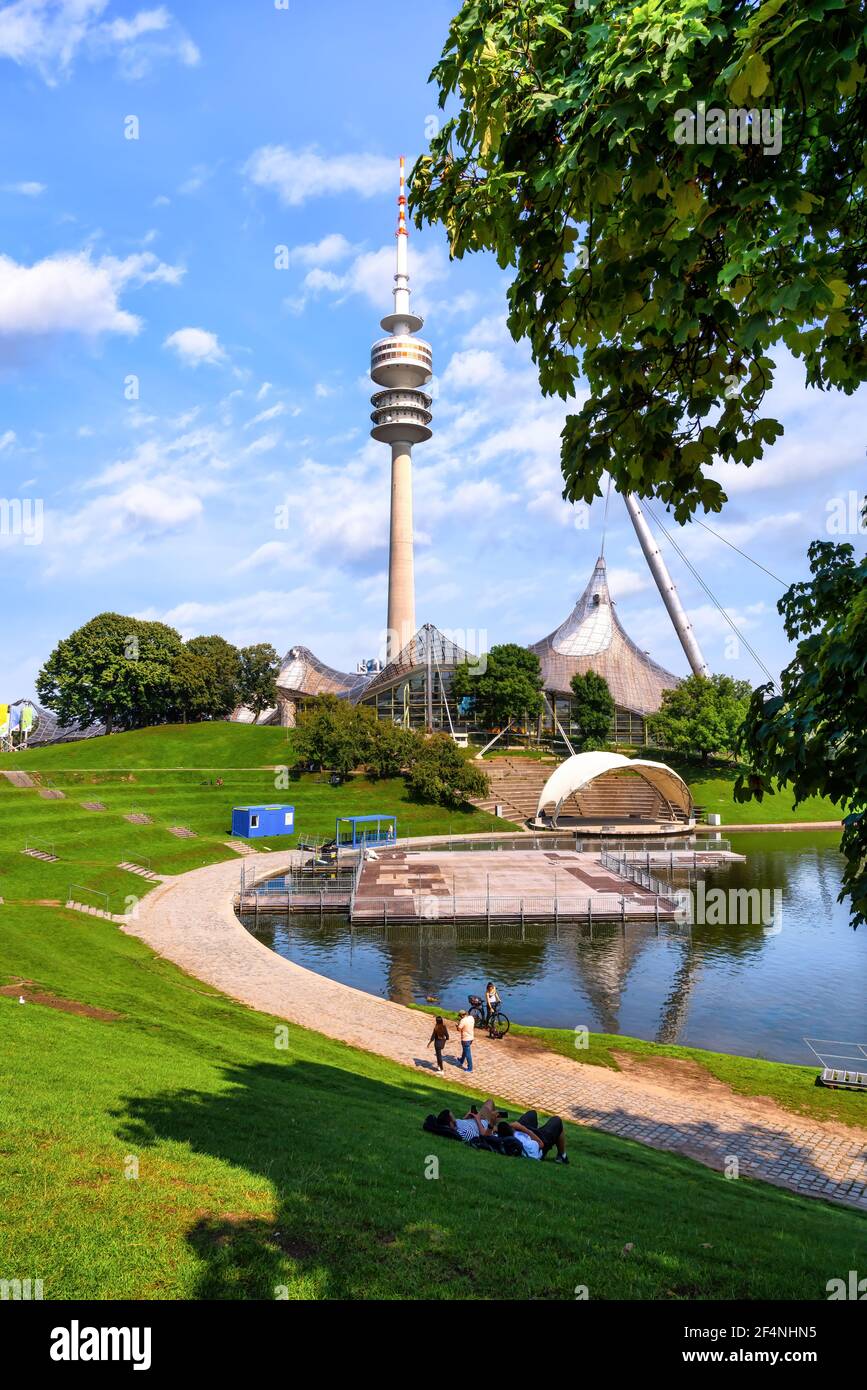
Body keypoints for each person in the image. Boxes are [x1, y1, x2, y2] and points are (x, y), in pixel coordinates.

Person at [497, 1110, 569, 1164]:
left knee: (532, 1113)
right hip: (538, 1139)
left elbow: (497, 1129)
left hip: (521, 1132)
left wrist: (514, 1127)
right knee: (557, 1120)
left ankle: (561, 1154)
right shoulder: (524, 1145)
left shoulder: (500, 1137)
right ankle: (562, 1156)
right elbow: (541, 1144)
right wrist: (522, 1128)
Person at [437, 1100, 502, 1142]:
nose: (455, 1120)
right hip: (486, 1127)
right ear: (449, 1123)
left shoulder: (455, 1124)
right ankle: (497, 1125)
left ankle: (497, 1122)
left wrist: (466, 1118)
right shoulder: (463, 1133)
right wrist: (478, 1119)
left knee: (490, 1101)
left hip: (479, 1120)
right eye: (452, 1118)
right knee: (500, 1116)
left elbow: (463, 1124)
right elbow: (483, 1137)